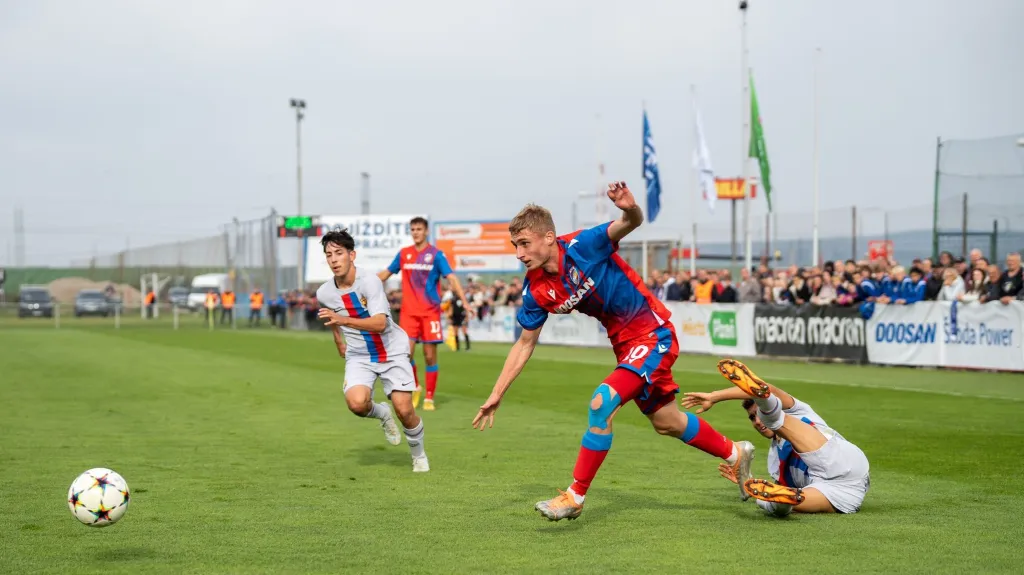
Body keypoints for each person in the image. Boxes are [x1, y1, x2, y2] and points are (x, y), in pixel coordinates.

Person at [472, 182, 753, 522]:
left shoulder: (584, 245)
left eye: (524, 243)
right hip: (626, 347)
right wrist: (497, 392)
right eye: (515, 245)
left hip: (653, 333)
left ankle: (574, 496)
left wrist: (629, 208)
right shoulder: (536, 290)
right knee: (667, 422)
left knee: (601, 402)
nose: (519, 253)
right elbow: (524, 343)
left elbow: (630, 222)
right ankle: (736, 453)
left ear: (549, 237)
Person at [682, 359, 870, 517]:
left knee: (776, 419)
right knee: (786, 501)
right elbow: (779, 488)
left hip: (839, 457)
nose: (756, 422)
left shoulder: (799, 411)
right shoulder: (774, 460)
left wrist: (715, 396)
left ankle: (764, 402)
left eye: (756, 414)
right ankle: (777, 505)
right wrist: (747, 481)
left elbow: (770, 388)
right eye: (751, 418)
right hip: (844, 492)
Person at [315, 230, 429, 473]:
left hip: (391, 350)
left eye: (339, 253)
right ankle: (382, 413)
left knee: (405, 410)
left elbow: (379, 324)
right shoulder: (324, 292)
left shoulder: (370, 281)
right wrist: (338, 341)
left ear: (351, 255)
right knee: (356, 404)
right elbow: (329, 315)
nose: (334, 260)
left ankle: (418, 455)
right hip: (359, 355)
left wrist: (343, 322)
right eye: (329, 255)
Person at [378, 217, 471, 411]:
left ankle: (429, 397)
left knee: (429, 356)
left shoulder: (436, 255)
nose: (416, 232)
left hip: (430, 314)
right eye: (413, 229)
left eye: (419, 229)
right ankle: (416, 386)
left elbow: (452, 278)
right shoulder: (404, 254)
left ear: (426, 231)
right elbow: (385, 274)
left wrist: (464, 301)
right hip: (408, 314)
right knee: (405, 354)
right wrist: (361, 286)